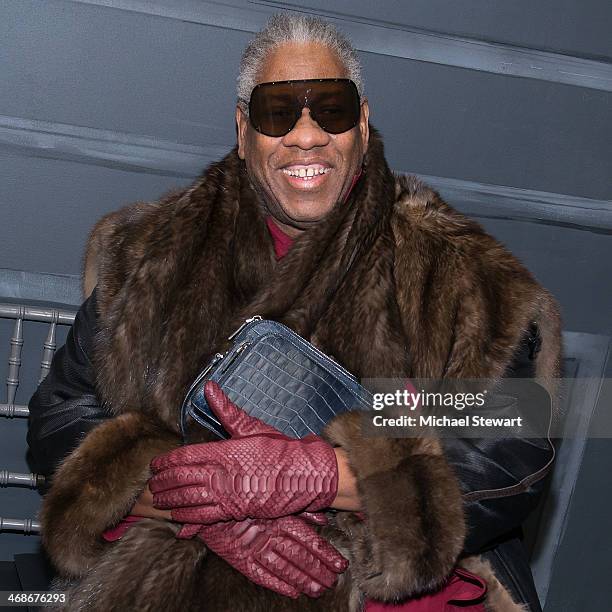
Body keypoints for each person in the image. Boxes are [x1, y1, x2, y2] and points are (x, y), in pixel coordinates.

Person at [28, 14, 561, 612]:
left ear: (361, 123)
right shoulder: (150, 253)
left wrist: (321, 475)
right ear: (242, 130)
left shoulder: (459, 276)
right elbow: (64, 416)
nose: (306, 136)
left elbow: (510, 442)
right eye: (278, 111)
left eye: (330, 108)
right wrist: (196, 496)